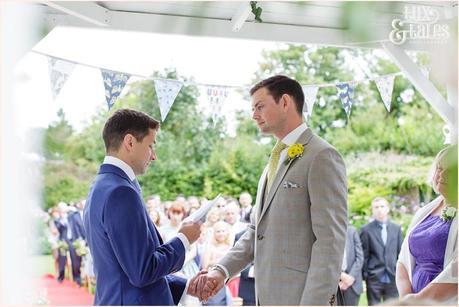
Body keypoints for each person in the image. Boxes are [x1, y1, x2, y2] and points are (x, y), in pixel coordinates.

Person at [195, 75, 348, 305]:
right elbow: (258, 231)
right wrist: (222, 270)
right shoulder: (272, 163)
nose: (254, 115)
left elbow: (330, 241)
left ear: (285, 102)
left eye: (260, 106)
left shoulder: (322, 155)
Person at [83, 109, 202, 305]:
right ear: (130, 142)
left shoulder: (103, 185)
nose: (153, 156)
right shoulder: (121, 192)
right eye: (150, 145)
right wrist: (183, 239)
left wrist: (187, 286)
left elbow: (124, 270)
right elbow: (142, 271)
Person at [396, 145, 458, 304]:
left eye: (450, 171)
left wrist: (421, 300)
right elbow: (403, 261)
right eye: (439, 168)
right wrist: (406, 298)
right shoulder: (424, 212)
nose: (441, 175)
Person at [360, 197, 403, 305]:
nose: (379, 209)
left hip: (393, 277)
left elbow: (400, 253)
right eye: (376, 207)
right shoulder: (366, 230)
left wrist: (400, 273)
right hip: (374, 278)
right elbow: (364, 255)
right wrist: (366, 275)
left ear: (387, 209)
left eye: (382, 206)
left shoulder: (396, 229)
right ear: (373, 210)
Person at [340, 225, 364, 306]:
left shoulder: (352, 231)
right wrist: (340, 275)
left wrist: (350, 277)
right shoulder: (328, 232)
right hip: (335, 284)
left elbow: (360, 257)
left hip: (353, 284)